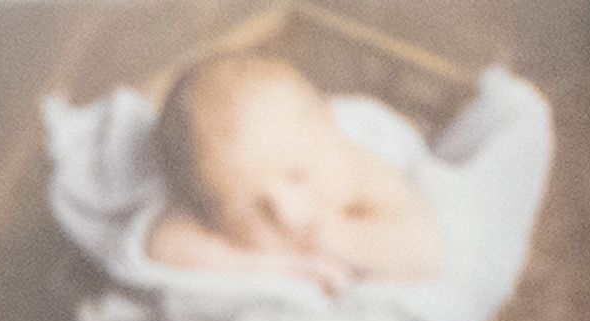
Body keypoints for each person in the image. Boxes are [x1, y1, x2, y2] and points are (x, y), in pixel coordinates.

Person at [145, 51, 443, 291]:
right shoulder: (232, 176)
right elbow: (162, 243)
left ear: (329, 133)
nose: (289, 215)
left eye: (298, 176)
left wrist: (337, 237)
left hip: (364, 126)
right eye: (253, 208)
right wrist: (272, 267)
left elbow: (424, 250)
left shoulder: (355, 167)